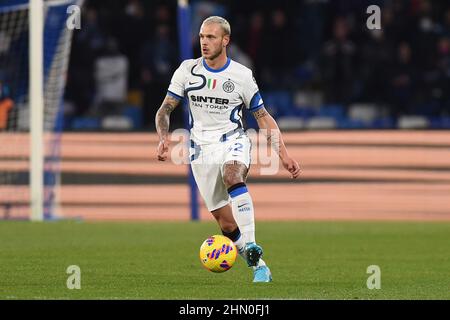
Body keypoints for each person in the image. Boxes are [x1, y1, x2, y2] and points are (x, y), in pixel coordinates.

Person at [155, 16, 300, 283]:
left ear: (225, 40)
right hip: (200, 151)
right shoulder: (187, 71)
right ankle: (260, 267)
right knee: (227, 225)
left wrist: (283, 154)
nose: (204, 42)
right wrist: (163, 137)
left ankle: (253, 243)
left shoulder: (242, 76)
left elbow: (263, 117)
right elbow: (165, 108)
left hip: (233, 140)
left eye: (211, 37)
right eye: (201, 37)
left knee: (233, 175)